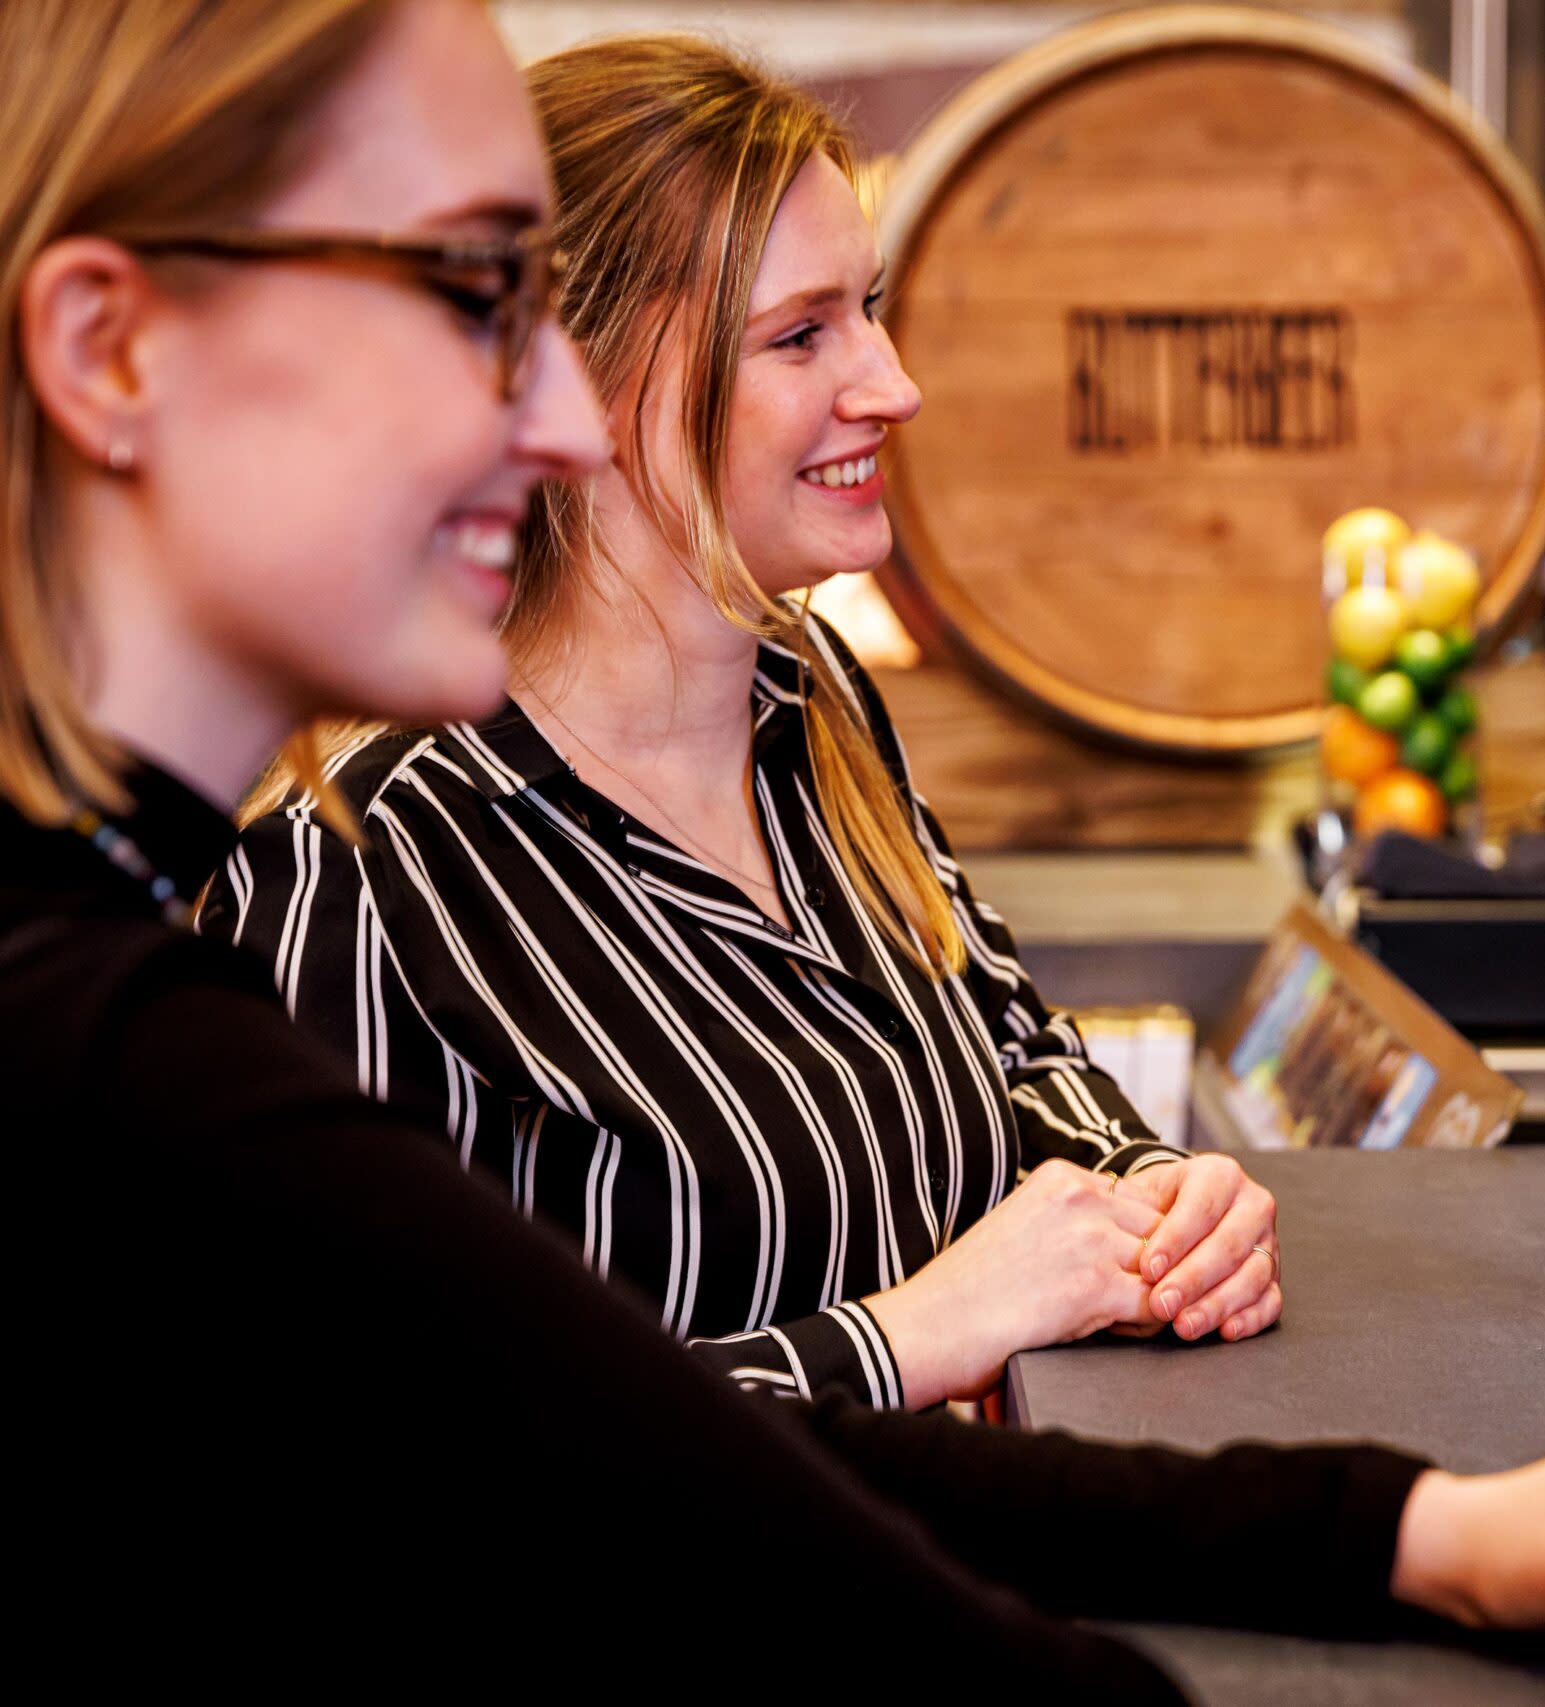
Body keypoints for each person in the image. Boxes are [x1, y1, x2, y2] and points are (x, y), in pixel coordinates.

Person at [4, 0, 1545, 1679]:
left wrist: (1416, 1530)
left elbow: (687, 1439)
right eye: (470, 299)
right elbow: (622, 1472)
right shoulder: (276, 918)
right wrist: (925, 1329)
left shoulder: (819, 713)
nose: (533, 416)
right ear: (107, 349)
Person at [201, 34, 1277, 1410]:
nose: (893, 383)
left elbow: (1008, 1042)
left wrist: (1160, 1203)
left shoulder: (810, 700)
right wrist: (900, 1338)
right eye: (801, 333)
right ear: (573, 392)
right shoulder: (356, 874)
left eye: (870, 309)